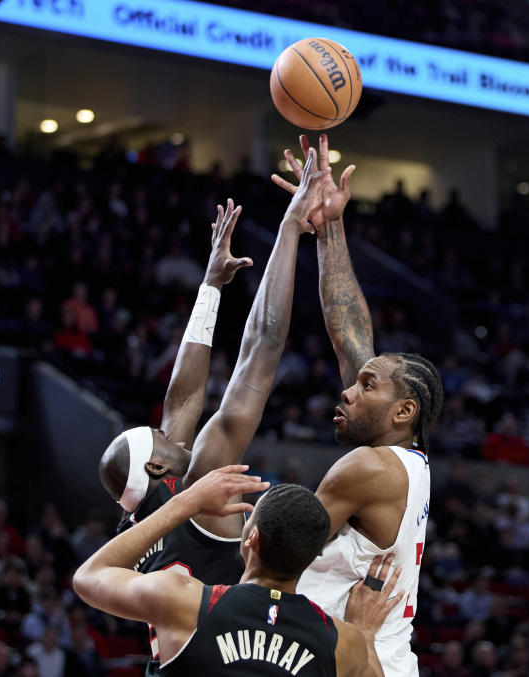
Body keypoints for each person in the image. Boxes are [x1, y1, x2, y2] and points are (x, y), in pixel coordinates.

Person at [96, 167, 324, 669]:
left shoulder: (145, 516)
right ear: (159, 470)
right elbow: (262, 351)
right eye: (158, 438)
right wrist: (288, 229)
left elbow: (181, 398)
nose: (165, 428)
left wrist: (210, 286)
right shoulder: (198, 488)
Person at [273, 134, 444, 677]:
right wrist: (329, 224)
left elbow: (273, 557)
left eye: (367, 386)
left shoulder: (368, 467)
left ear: (404, 412)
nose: (347, 388)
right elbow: (348, 329)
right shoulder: (401, 461)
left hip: (358, 665)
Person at [73, 466, 403, 675]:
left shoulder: (186, 602)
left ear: (252, 537)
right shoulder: (342, 643)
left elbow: (88, 576)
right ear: (313, 555)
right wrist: (366, 635)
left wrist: (185, 502)